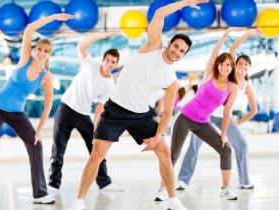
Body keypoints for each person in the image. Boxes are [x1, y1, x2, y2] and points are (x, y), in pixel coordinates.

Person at [67, 1, 206, 210]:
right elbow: (159, 13)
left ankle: (172, 200)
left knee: (165, 152)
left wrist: (158, 137)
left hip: (140, 115)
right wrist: (186, 2)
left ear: (184, 55)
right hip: (114, 110)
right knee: (96, 155)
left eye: (182, 51)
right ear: (169, 44)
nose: (177, 51)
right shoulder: (153, 46)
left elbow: (168, 112)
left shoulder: (172, 80)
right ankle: (78, 202)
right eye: (176, 46)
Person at [0, 13, 74, 206]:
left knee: (36, 145)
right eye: (39, 49)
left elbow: (48, 106)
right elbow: (29, 29)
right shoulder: (25, 59)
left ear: (49, 55)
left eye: (46, 51)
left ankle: (39, 193)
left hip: (16, 112)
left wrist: (38, 131)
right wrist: (55, 17)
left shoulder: (46, 77)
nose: (41, 53)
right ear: (35, 49)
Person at [157, 27, 240, 202]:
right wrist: (224, 36)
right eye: (222, 63)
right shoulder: (209, 74)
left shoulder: (232, 87)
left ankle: (225, 189)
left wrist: (223, 134)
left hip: (203, 122)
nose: (225, 67)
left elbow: (227, 112)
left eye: (228, 65)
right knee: (173, 155)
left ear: (231, 67)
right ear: (217, 64)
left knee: (226, 150)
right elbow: (215, 51)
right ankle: (162, 189)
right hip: (185, 117)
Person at [176, 28, 261, 191]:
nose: (242, 66)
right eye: (239, 63)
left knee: (242, 145)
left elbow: (254, 109)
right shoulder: (231, 75)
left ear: (249, 68)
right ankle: (183, 180)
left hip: (225, 118)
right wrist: (247, 34)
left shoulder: (246, 86)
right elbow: (233, 49)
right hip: (205, 116)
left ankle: (244, 181)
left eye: (245, 65)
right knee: (194, 147)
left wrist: (238, 123)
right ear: (234, 65)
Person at [48, 32, 122, 193]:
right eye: (108, 60)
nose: (109, 64)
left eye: (113, 62)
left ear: (116, 65)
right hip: (66, 108)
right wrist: (102, 35)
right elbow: (81, 46)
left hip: (83, 114)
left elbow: (99, 108)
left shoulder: (110, 84)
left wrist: (97, 131)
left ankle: (105, 183)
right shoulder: (91, 64)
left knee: (96, 148)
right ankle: (53, 184)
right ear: (103, 60)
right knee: (58, 148)